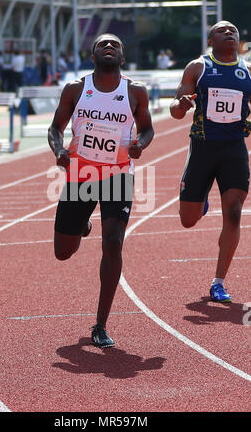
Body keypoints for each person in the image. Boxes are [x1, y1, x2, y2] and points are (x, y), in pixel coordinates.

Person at [48, 33, 154, 347]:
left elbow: (147, 128)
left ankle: (101, 324)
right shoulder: (76, 89)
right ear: (92, 56)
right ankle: (83, 224)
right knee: (63, 252)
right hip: (81, 174)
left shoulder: (135, 91)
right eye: (102, 44)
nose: (109, 46)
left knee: (113, 243)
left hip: (118, 175)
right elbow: (56, 128)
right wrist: (59, 151)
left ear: (122, 57)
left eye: (115, 45)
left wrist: (139, 145)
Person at [170, 20, 251, 303]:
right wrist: (182, 105)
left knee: (234, 212)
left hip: (234, 151)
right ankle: (199, 201)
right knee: (187, 220)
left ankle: (219, 282)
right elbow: (175, 110)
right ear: (211, 39)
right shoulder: (198, 67)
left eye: (233, 30)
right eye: (222, 30)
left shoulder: (247, 72)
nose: (229, 32)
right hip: (203, 149)